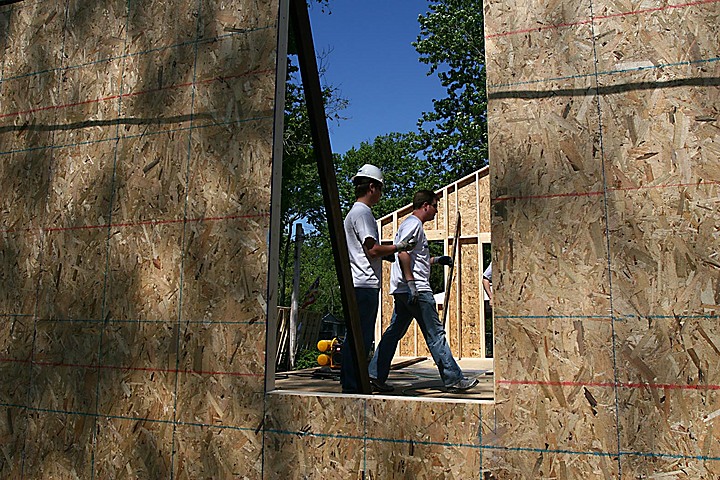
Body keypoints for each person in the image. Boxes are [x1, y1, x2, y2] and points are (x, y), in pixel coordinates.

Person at [368, 189, 479, 393]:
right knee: (435, 333)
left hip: (404, 291)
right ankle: (453, 378)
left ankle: (375, 375)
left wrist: (436, 260)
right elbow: (402, 252)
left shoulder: (409, 225)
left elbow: (415, 257)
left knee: (393, 333)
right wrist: (412, 283)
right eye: (435, 206)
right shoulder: (413, 225)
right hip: (416, 289)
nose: (437, 211)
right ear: (425, 206)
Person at [341, 164, 416, 394]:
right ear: (372, 187)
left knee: (355, 336)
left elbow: (367, 251)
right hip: (363, 285)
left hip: (356, 282)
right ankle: (354, 387)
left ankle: (351, 383)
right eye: (380, 189)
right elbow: (372, 250)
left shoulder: (354, 213)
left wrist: (389, 255)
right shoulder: (363, 213)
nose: (381, 194)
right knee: (361, 338)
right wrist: (399, 246)